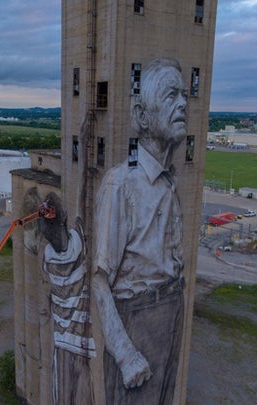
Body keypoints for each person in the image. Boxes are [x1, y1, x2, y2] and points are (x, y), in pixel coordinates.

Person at [92, 57, 187, 404]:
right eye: (170, 95)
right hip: (137, 322)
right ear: (142, 117)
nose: (182, 105)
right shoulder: (121, 184)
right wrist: (125, 353)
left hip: (170, 313)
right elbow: (99, 279)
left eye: (184, 96)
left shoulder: (168, 182)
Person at [39, 193, 95, 404]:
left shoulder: (47, 258)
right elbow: (81, 220)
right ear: (64, 218)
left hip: (61, 344)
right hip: (83, 348)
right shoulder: (79, 246)